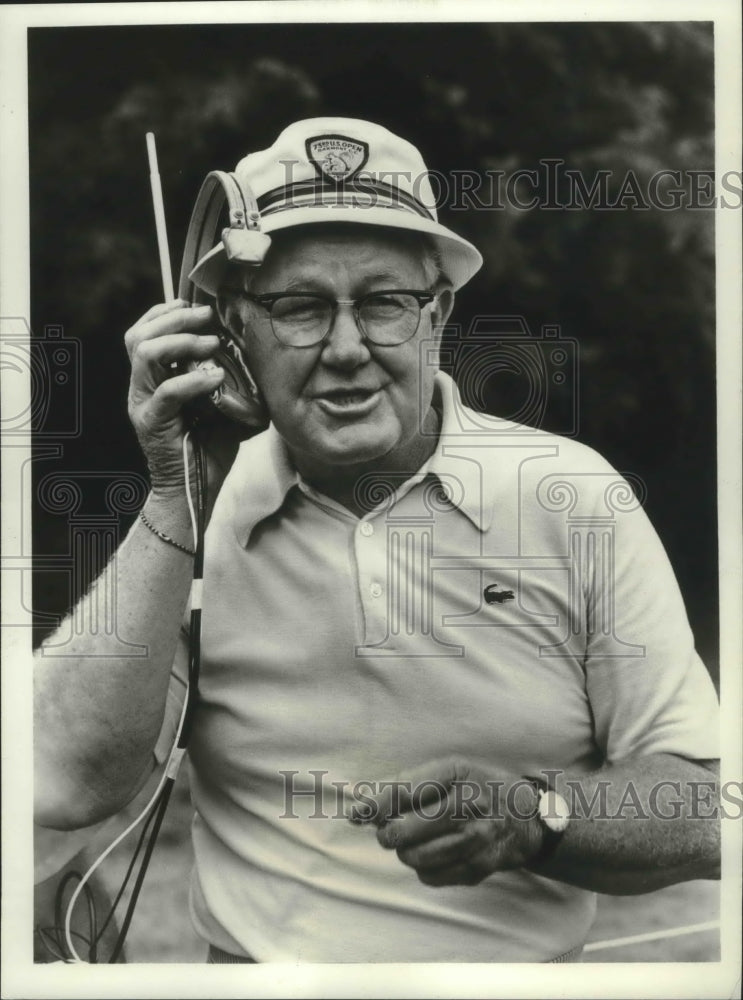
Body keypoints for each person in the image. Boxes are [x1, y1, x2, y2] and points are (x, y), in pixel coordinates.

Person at [34, 118, 720, 964]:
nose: (348, 349)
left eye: (386, 303)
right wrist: (178, 496)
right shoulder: (192, 518)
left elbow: (701, 809)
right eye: (298, 307)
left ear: (440, 312)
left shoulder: (573, 497)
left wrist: (536, 817)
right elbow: (62, 782)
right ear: (232, 333)